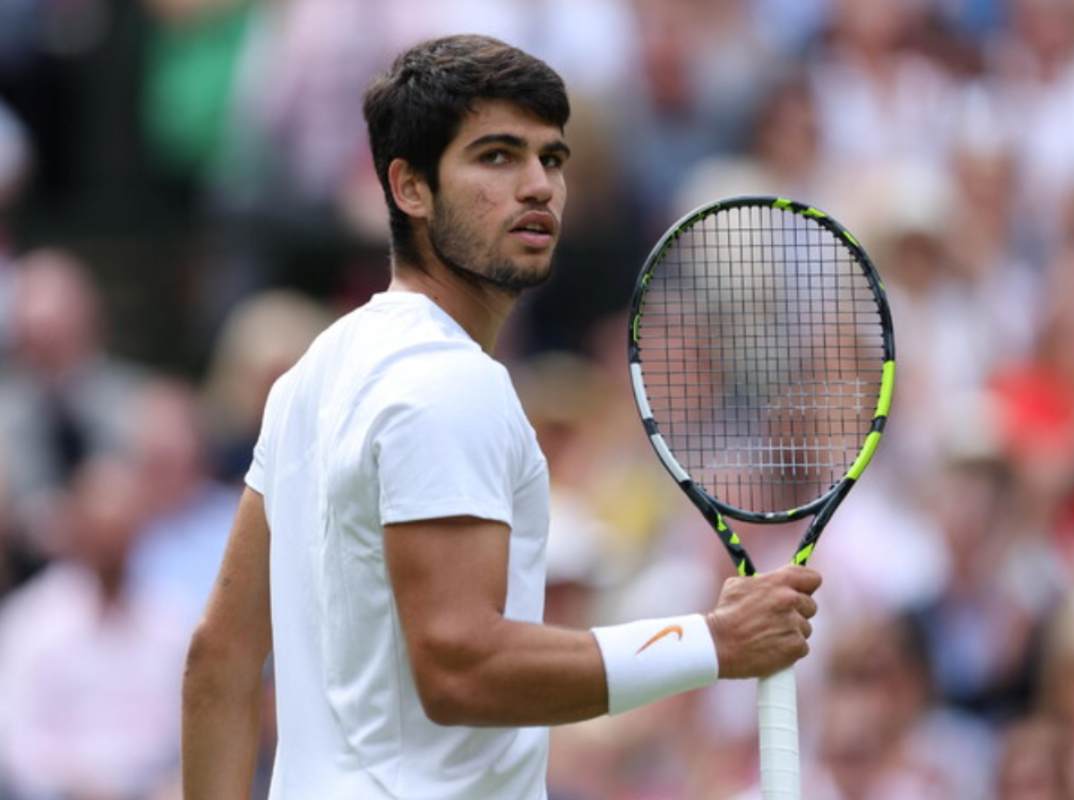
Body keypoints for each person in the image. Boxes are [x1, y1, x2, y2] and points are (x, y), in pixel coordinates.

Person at [181, 34, 821, 800]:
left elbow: (219, 657)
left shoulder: (315, 373)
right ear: (410, 188)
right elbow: (461, 667)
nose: (538, 186)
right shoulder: (449, 383)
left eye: (551, 159)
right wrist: (712, 643)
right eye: (496, 157)